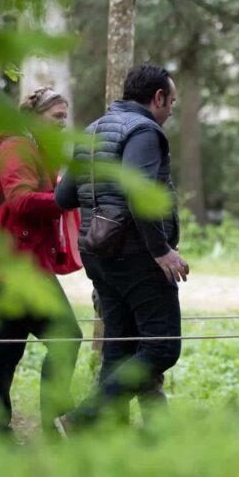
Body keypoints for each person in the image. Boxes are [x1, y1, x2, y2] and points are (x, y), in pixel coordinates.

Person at [54, 64, 189, 431]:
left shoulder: (90, 132)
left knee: (120, 346)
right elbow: (139, 193)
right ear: (157, 97)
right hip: (137, 257)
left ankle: (107, 436)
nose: (173, 109)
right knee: (162, 347)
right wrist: (161, 250)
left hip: (97, 255)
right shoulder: (145, 131)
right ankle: (83, 418)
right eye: (172, 100)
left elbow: (64, 196)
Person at [0, 86, 83, 434]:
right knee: (61, 337)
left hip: (24, 264)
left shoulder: (36, 150)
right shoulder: (15, 148)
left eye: (64, 119)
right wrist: (64, 197)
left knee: (9, 351)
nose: (61, 125)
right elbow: (20, 202)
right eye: (56, 118)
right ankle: (45, 422)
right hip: (9, 268)